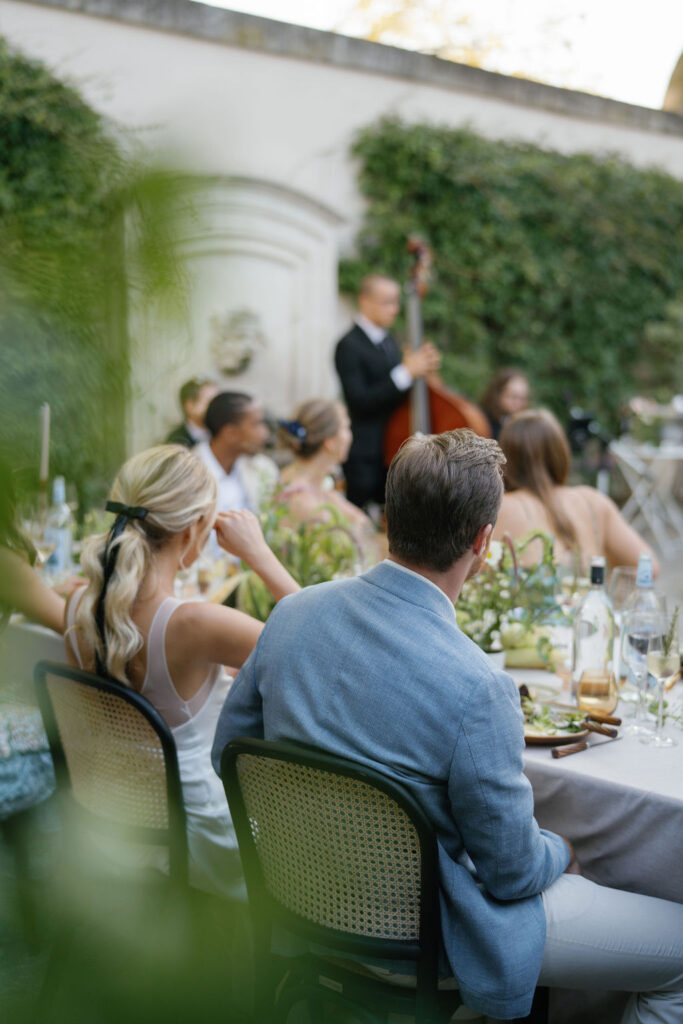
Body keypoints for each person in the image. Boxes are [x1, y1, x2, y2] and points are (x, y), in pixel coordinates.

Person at [212, 429, 683, 1022]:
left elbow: (229, 754)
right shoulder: (477, 684)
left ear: (389, 519)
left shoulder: (291, 614)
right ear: (483, 542)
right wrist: (563, 849)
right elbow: (511, 874)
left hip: (303, 901)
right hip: (429, 938)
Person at [65, 444, 299, 897]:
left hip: (116, 821)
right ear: (193, 529)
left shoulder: (78, 605)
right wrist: (259, 555)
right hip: (200, 834)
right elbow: (322, 645)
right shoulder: (195, 624)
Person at [493, 408, 658, 575]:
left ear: (505, 458)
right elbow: (649, 568)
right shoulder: (592, 500)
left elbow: (479, 578)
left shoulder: (501, 507)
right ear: (561, 453)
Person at [334, 273, 440, 509]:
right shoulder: (348, 345)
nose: (394, 309)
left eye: (396, 302)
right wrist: (406, 372)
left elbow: (396, 394)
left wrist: (424, 374)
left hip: (392, 447)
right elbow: (360, 401)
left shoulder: (390, 341)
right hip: (365, 455)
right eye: (387, 302)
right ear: (364, 301)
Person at [277, 398, 387, 565]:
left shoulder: (320, 484)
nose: (350, 435)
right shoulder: (300, 499)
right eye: (346, 427)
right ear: (329, 443)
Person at [194, 391, 278, 518]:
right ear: (230, 433)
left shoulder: (263, 468)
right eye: (256, 424)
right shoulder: (186, 473)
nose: (265, 433)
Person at [164, 377, 219, 448]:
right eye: (210, 402)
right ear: (190, 405)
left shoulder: (221, 432)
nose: (217, 406)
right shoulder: (176, 441)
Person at [479, 367, 530, 440]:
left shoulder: (524, 426)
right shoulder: (481, 422)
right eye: (513, 397)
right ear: (498, 395)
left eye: (523, 398)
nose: (518, 403)